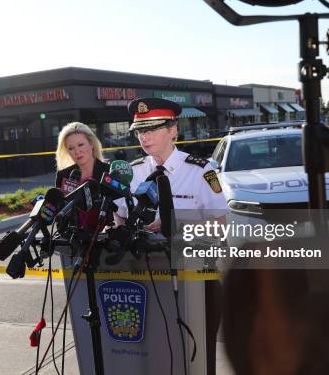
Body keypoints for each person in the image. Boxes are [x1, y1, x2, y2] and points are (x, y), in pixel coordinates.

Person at [116, 97, 227, 375]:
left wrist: (172, 226)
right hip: (149, 279)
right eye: (140, 130)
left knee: (199, 359)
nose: (145, 136)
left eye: (153, 128)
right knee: (157, 357)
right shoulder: (135, 172)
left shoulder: (201, 170)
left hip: (197, 280)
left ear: (173, 130)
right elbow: (117, 215)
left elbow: (220, 226)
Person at [55, 122, 110, 193]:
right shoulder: (63, 176)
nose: (77, 151)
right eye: (71, 148)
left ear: (91, 144)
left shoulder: (109, 171)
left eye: (80, 145)